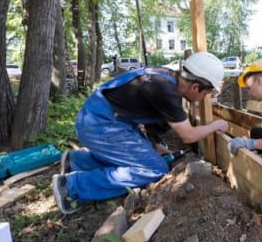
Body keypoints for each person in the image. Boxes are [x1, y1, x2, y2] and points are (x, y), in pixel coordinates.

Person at [52, 52, 228, 214]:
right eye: (207, 92)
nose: (205, 97)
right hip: (102, 124)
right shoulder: (166, 91)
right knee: (154, 168)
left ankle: (77, 162)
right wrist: (216, 125)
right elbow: (188, 135)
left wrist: (157, 144)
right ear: (196, 87)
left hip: (99, 118)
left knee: (145, 159)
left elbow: (151, 115)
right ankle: (71, 188)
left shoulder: (165, 79)